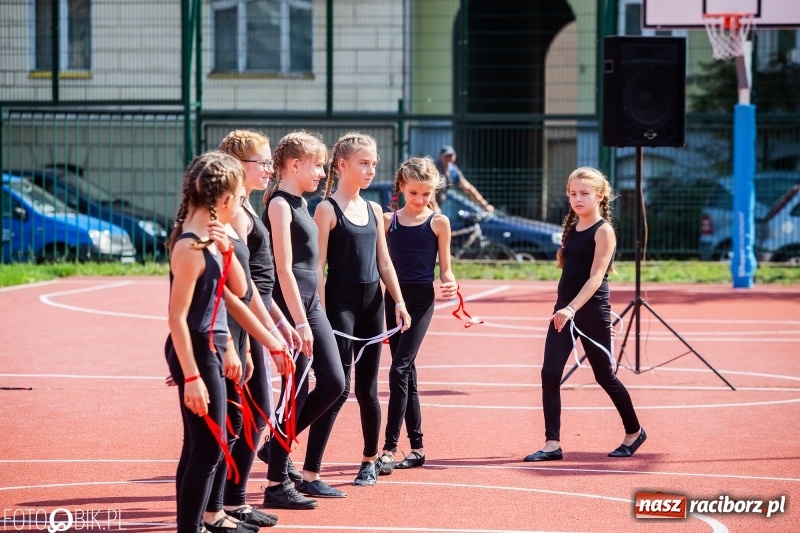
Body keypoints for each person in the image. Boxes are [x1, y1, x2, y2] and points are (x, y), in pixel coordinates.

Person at [310, 132, 412, 487]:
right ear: (342, 166)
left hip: (372, 307)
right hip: (340, 308)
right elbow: (318, 267)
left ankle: (369, 460)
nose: (370, 170)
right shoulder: (326, 209)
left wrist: (398, 302)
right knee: (335, 388)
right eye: (363, 163)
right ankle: (311, 471)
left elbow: (384, 263)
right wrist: (318, 314)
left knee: (368, 391)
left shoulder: (373, 210)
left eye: (373, 164)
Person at [524, 166, 645, 463]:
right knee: (550, 373)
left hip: (589, 312)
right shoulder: (573, 226)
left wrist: (571, 308)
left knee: (605, 376)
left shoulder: (604, 231)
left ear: (600, 196)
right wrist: (562, 307)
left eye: (584, 194)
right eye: (572, 194)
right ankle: (552, 443)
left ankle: (634, 432)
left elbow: (595, 277)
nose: (577, 199)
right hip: (564, 312)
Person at [164, 151, 250, 533]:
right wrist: (191, 376)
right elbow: (177, 317)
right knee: (209, 447)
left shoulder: (211, 240)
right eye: (240, 194)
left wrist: (228, 250)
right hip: (196, 349)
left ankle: (195, 524)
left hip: (212, 345)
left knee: (204, 444)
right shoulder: (189, 247)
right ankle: (192, 527)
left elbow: (240, 290)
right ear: (225, 200)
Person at [261, 131, 347, 510]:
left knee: (335, 383)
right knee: (292, 397)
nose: (322, 172)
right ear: (294, 165)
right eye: (317, 165)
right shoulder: (280, 204)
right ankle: (276, 484)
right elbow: (283, 269)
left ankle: (274, 447)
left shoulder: (301, 203)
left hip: (311, 306)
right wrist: (299, 321)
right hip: (295, 308)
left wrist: (314, 312)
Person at [218, 130, 305, 492]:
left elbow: (259, 284)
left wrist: (280, 322)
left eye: (270, 161)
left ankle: (232, 499)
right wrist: (270, 332)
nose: (269, 168)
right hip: (242, 323)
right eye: (263, 162)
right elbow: (244, 285)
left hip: (257, 317)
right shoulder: (235, 213)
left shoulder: (249, 204)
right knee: (243, 417)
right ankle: (223, 501)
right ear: (238, 165)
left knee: (253, 415)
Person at [378, 156, 458, 475]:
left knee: (399, 369)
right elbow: (380, 266)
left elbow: (447, 270)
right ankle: (418, 448)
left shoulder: (439, 223)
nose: (419, 199)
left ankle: (387, 448)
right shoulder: (387, 222)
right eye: (413, 193)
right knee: (406, 373)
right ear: (401, 187)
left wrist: (449, 283)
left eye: (426, 194)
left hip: (421, 301)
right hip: (392, 299)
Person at [431, 145, 493, 214]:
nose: (449, 158)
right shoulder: (434, 168)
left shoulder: (452, 170)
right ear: (440, 156)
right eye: (446, 156)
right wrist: (435, 206)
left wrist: (484, 204)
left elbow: (467, 187)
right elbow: (430, 189)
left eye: (451, 155)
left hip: (436, 208)